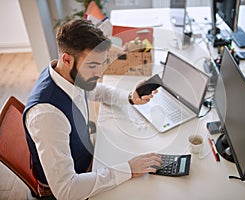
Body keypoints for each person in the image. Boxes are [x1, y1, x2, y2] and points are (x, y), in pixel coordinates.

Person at [22, 19, 162, 200]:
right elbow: (67, 191)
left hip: (88, 161)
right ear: (67, 59)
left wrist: (130, 97)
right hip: (75, 184)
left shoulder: (65, 73)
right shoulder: (47, 116)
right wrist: (128, 169)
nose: (101, 73)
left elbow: (97, 91)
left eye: (102, 63)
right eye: (93, 66)